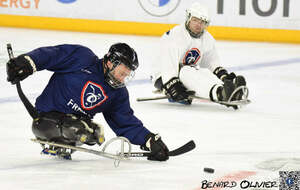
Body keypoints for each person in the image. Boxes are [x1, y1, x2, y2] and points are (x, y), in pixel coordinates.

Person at [6, 43, 169, 161]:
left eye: (127, 75)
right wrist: (26, 63)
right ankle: (58, 139)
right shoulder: (82, 58)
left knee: (96, 133)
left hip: (77, 125)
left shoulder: (118, 93)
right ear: (110, 63)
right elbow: (53, 55)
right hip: (45, 119)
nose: (123, 78)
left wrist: (148, 139)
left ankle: (67, 137)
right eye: (121, 73)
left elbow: (124, 121)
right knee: (79, 130)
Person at [151, 2, 247, 105]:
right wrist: (172, 85)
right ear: (188, 18)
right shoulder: (176, 35)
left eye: (202, 22)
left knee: (202, 72)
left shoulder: (207, 38)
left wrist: (224, 77)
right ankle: (219, 93)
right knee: (187, 71)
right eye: (195, 20)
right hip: (163, 76)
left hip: (187, 72)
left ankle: (228, 89)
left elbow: (211, 62)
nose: (198, 25)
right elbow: (167, 63)